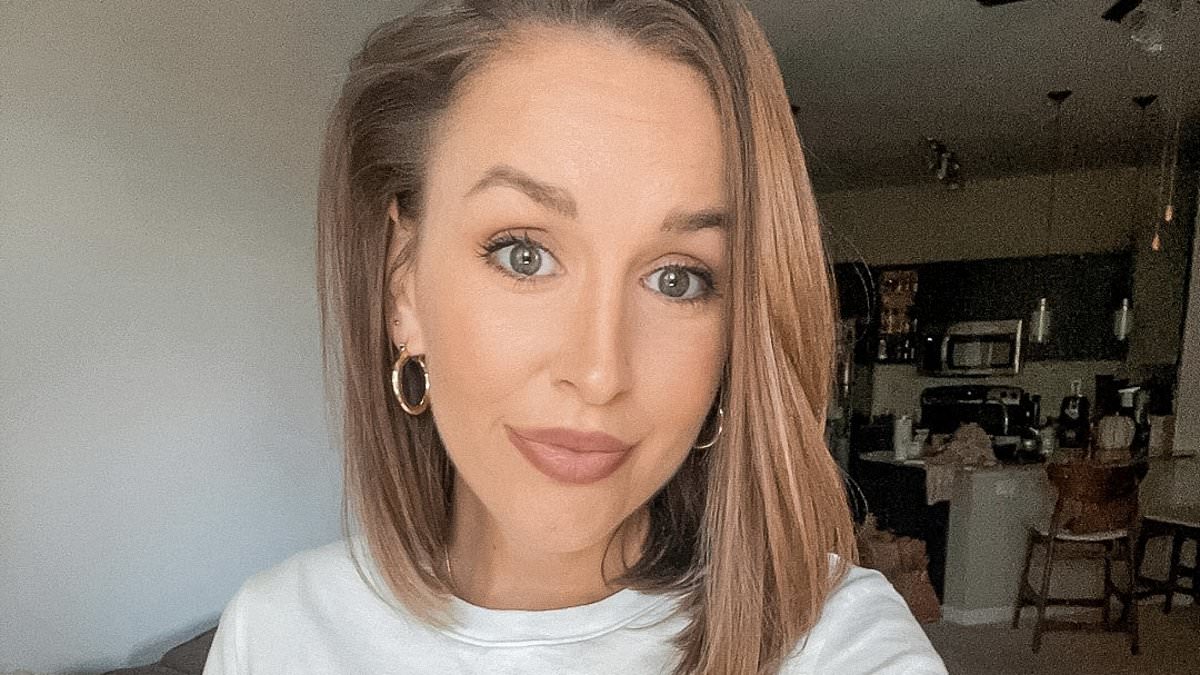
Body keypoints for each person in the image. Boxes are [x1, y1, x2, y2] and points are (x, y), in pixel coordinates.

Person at [203, 1, 947, 673]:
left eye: (678, 278)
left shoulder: (832, 642)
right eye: (524, 254)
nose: (599, 373)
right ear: (404, 285)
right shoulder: (277, 632)